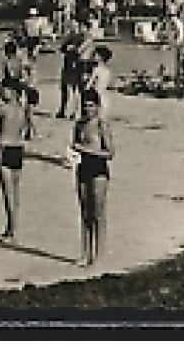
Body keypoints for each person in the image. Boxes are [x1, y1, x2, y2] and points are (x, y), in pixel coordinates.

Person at [71, 88, 115, 268]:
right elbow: (75, 147)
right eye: (85, 106)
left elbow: (110, 153)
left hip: (99, 170)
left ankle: (99, 254)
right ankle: (85, 253)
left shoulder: (101, 126)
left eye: (91, 106)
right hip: (83, 169)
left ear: (97, 106)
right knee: (85, 213)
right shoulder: (79, 125)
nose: (88, 109)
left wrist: (86, 150)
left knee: (98, 213)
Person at [0, 79, 27, 241]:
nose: (0, 92)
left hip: (5, 147)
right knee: (15, 190)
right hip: (18, 148)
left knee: (7, 192)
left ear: (11, 92)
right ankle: (13, 226)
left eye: (3, 89)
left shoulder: (3, 108)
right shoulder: (22, 109)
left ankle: (11, 229)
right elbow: (26, 129)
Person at [58, 29, 84, 119]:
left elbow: (79, 51)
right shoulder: (75, 38)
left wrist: (71, 48)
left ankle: (73, 111)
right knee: (68, 90)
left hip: (74, 67)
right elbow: (62, 49)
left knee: (73, 90)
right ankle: (66, 110)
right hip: (70, 66)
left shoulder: (82, 38)